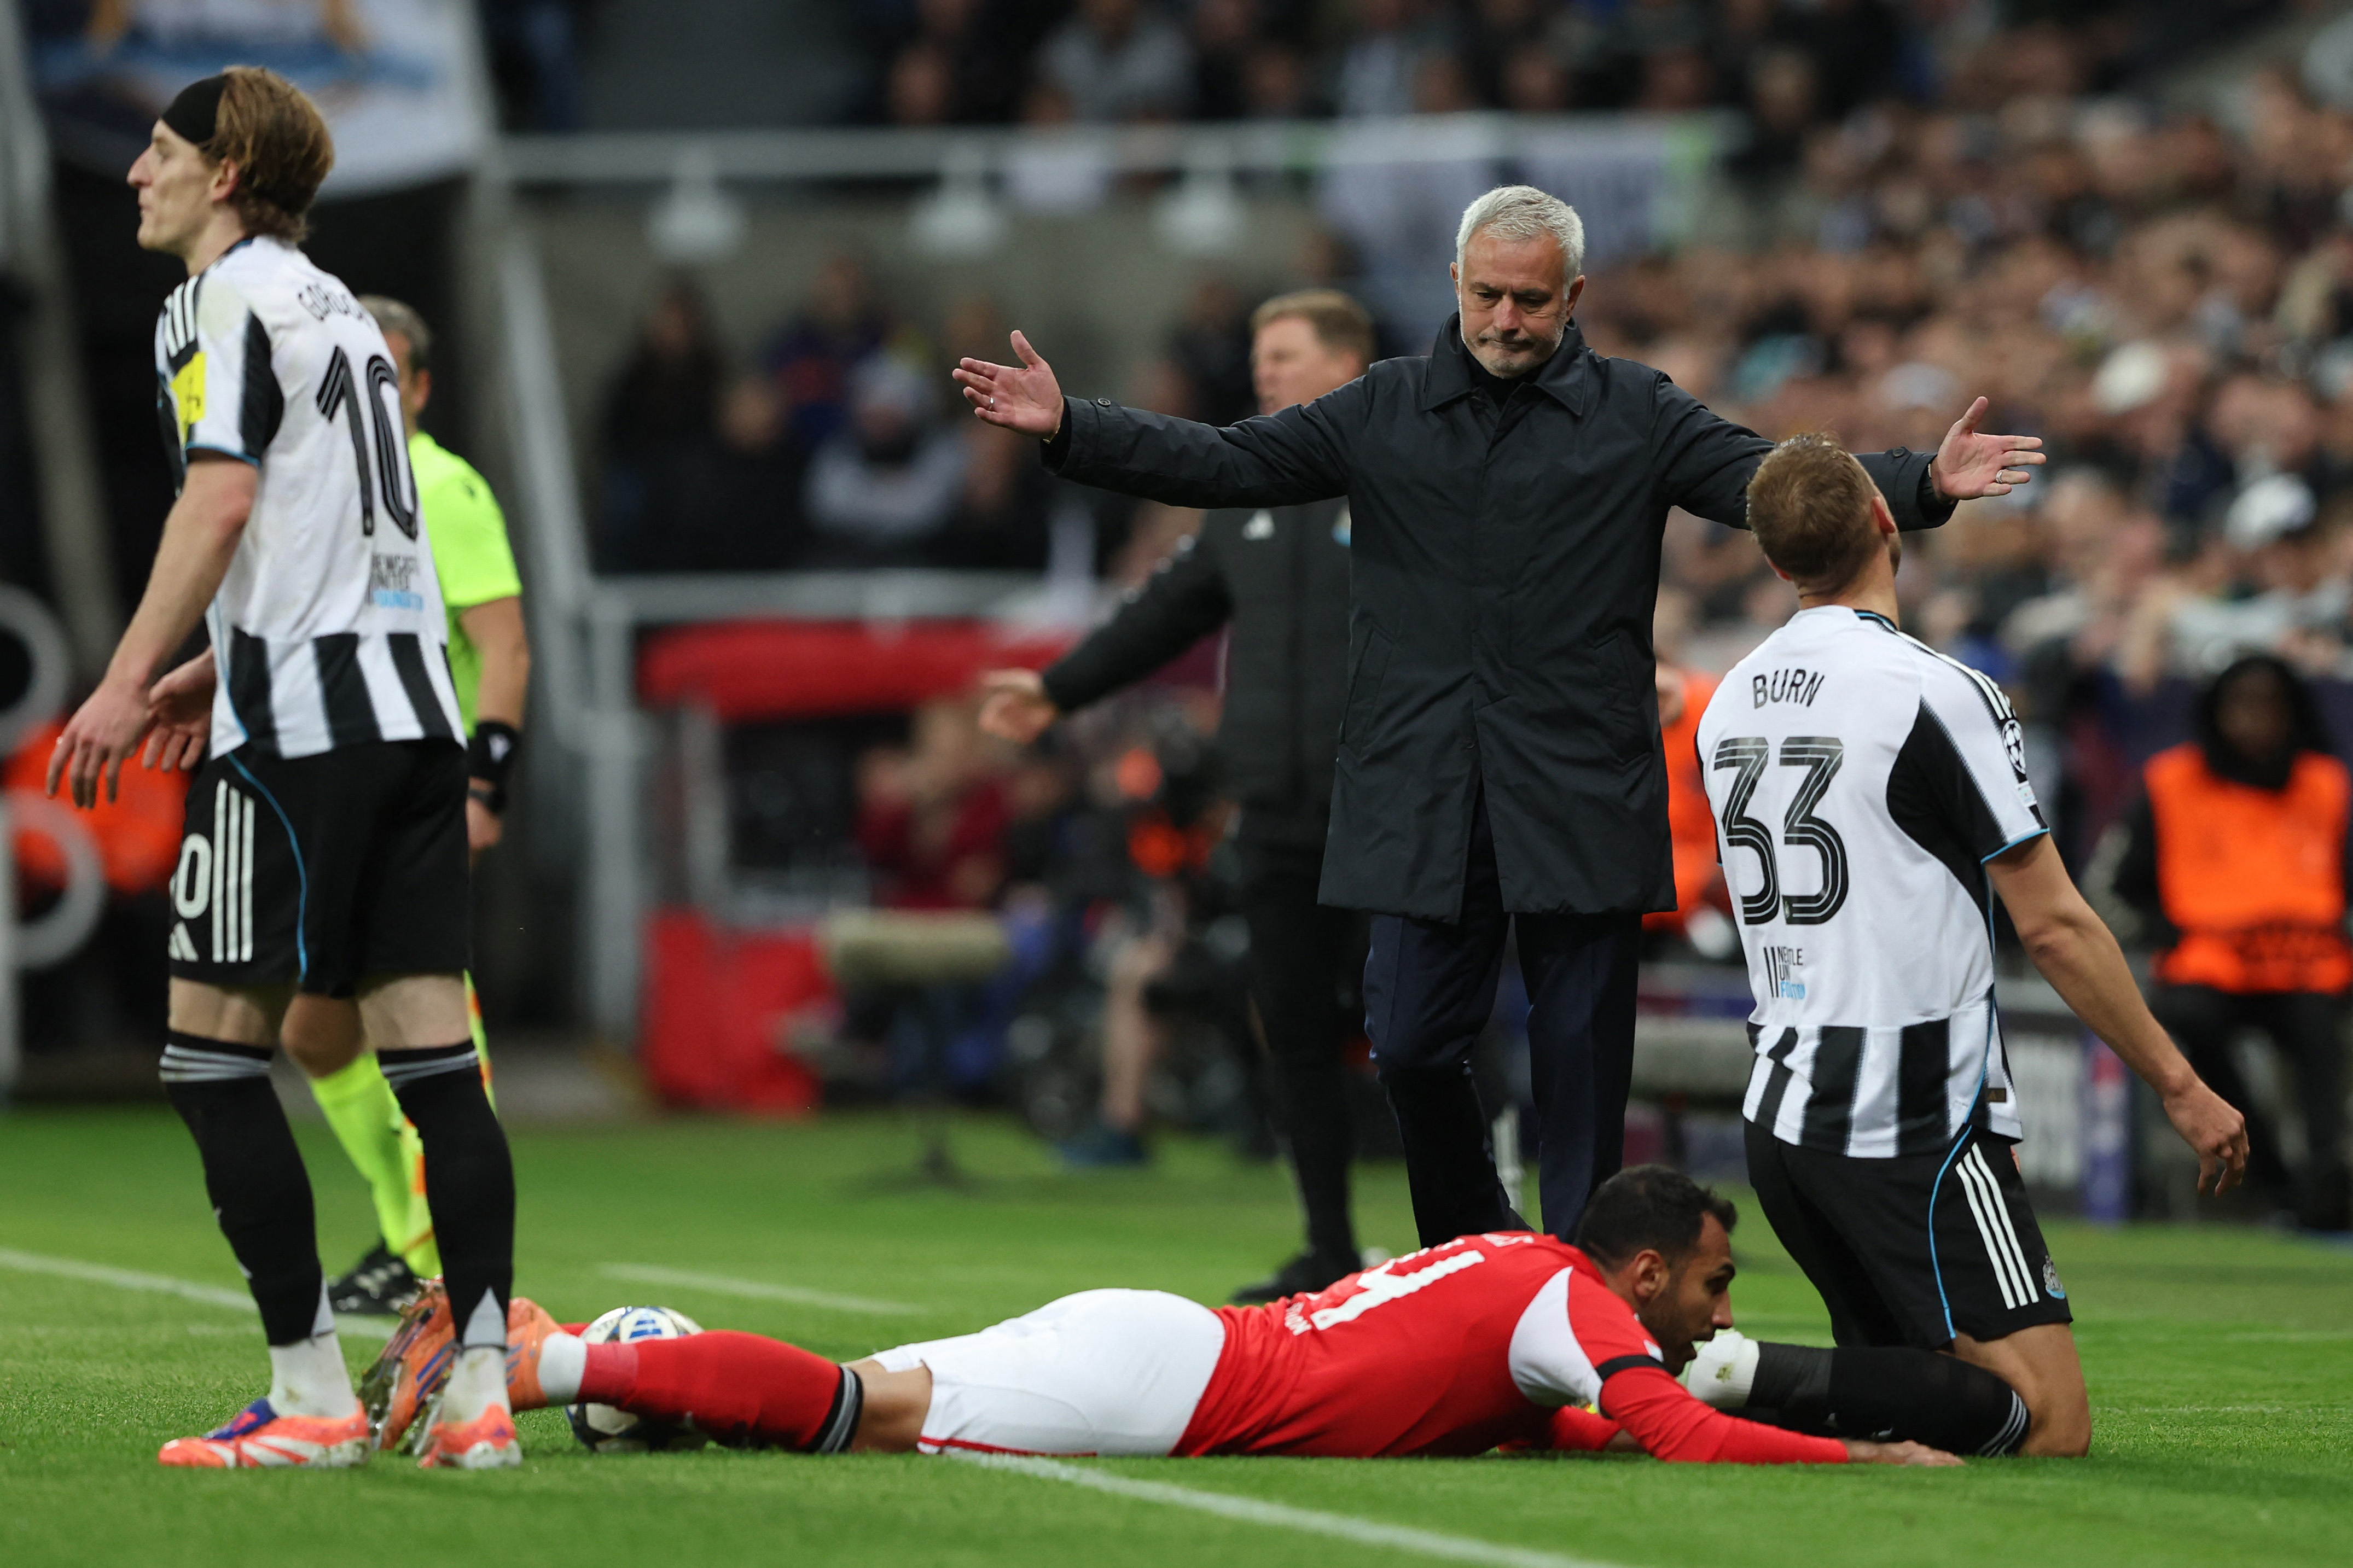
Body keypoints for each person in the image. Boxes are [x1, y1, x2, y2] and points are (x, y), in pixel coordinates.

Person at [953, 183, 2046, 1249]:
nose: (1505, 321)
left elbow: (1765, 480)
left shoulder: (1637, 409)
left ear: (1572, 294)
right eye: (1486, 297)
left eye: (1529, 300)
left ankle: (1577, 1297)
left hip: (1577, 783)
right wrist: (1072, 427)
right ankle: (1480, 1247)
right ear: (1454, 284)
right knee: (1411, 1043)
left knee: (1578, 1073)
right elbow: (1229, 461)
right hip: (1420, 787)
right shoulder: (1380, 403)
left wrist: (1920, 486)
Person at [45, 69, 520, 1469]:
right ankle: (480, 1390)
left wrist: (131, 672)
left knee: (206, 1058)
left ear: (229, 172)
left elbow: (226, 493)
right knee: (439, 1066)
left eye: (161, 148)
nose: (138, 172)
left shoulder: (218, 299)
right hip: (412, 716)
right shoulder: (343, 313)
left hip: (302, 736)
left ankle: (311, 1394)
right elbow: (352, 529)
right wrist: (219, 659)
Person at [1692, 433, 2249, 1456]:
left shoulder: (1723, 700)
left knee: (1925, 1410)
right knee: (2048, 1424)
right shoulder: (1935, 690)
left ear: (1773, 562)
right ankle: (1723, 1374)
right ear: (1885, 523)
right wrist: (2178, 1082)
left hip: (1782, 1095)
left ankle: (1747, 1392)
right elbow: (2052, 919)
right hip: (1903, 1101)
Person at [371, 1165, 1982, 1467]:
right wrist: (1865, 1455)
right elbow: (1674, 1430)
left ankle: (615, 1358)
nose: (1713, 1304)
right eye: (1709, 1276)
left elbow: (1551, 1413)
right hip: (1168, 1384)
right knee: (864, 1411)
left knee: (871, 1392)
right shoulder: (1571, 1298)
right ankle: (528, 1354)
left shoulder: (1520, 1277)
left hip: (1171, 1340)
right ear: (1637, 1270)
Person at [978, 289, 1373, 1302]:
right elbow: (1163, 613)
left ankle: (1481, 1243)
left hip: (1392, 806)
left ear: (1349, 361)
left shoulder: (1392, 479)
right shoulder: (1248, 500)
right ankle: (1328, 1247)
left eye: (1284, 354)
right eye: (1259, 354)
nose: (1265, 373)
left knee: (1424, 1030)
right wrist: (1059, 688)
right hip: (1279, 811)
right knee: (1291, 1030)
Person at [276, 294, 532, 1314]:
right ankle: (403, 1230)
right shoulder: (328, 490)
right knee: (312, 1029)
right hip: (339, 785)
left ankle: (435, 1255)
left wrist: (486, 781)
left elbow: (505, 644)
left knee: (422, 1030)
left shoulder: (443, 488)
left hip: (420, 793)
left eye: (387, 370)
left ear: (418, 386)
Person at [2106, 655, 2353, 1231]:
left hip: (2306, 965)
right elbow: (2121, 884)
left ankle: (2326, 1180)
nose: (2252, 720)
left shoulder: (2324, 784)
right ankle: (2267, 1169)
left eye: (2267, 706)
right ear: (2214, 712)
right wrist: (2165, 930)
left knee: (2319, 1036)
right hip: (2208, 963)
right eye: (2239, 705)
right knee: (2190, 1017)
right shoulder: (2169, 781)